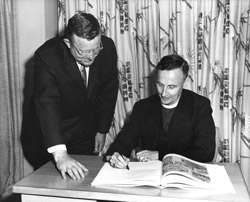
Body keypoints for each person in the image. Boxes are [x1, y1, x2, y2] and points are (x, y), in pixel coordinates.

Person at [26, 12, 118, 180]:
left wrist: (102, 129)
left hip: (84, 133)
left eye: (95, 49)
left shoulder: (108, 47)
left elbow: (109, 91)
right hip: (49, 136)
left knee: (83, 181)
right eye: (83, 51)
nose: (91, 56)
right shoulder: (47, 56)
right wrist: (60, 155)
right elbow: (47, 103)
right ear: (68, 43)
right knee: (53, 186)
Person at [105, 54, 215, 169]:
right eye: (160, 85)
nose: (163, 93)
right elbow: (125, 140)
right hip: (150, 176)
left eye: (171, 87)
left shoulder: (200, 105)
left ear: (185, 82)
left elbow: (206, 151)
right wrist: (117, 155)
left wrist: (160, 155)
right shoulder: (143, 107)